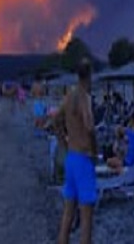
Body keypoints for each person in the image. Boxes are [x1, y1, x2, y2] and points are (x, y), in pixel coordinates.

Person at [53, 59, 97, 244]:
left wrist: (63, 143)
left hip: (71, 157)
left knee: (68, 214)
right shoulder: (84, 97)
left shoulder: (69, 96)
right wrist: (94, 150)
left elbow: (56, 120)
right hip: (83, 158)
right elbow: (89, 126)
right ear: (90, 75)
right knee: (86, 219)